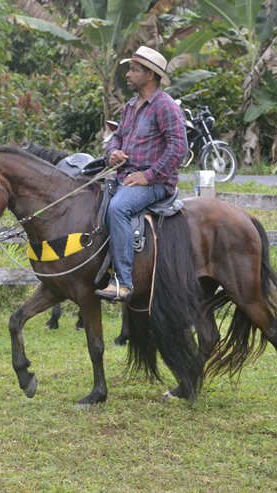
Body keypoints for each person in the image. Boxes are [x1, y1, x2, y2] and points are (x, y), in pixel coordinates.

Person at [94, 46, 188, 302]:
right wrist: (113, 153)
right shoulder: (130, 106)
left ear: (150, 75)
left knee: (118, 208)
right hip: (125, 176)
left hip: (156, 183)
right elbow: (117, 137)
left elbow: (179, 149)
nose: (128, 74)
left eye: (134, 70)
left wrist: (148, 176)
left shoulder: (166, 106)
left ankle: (123, 282)